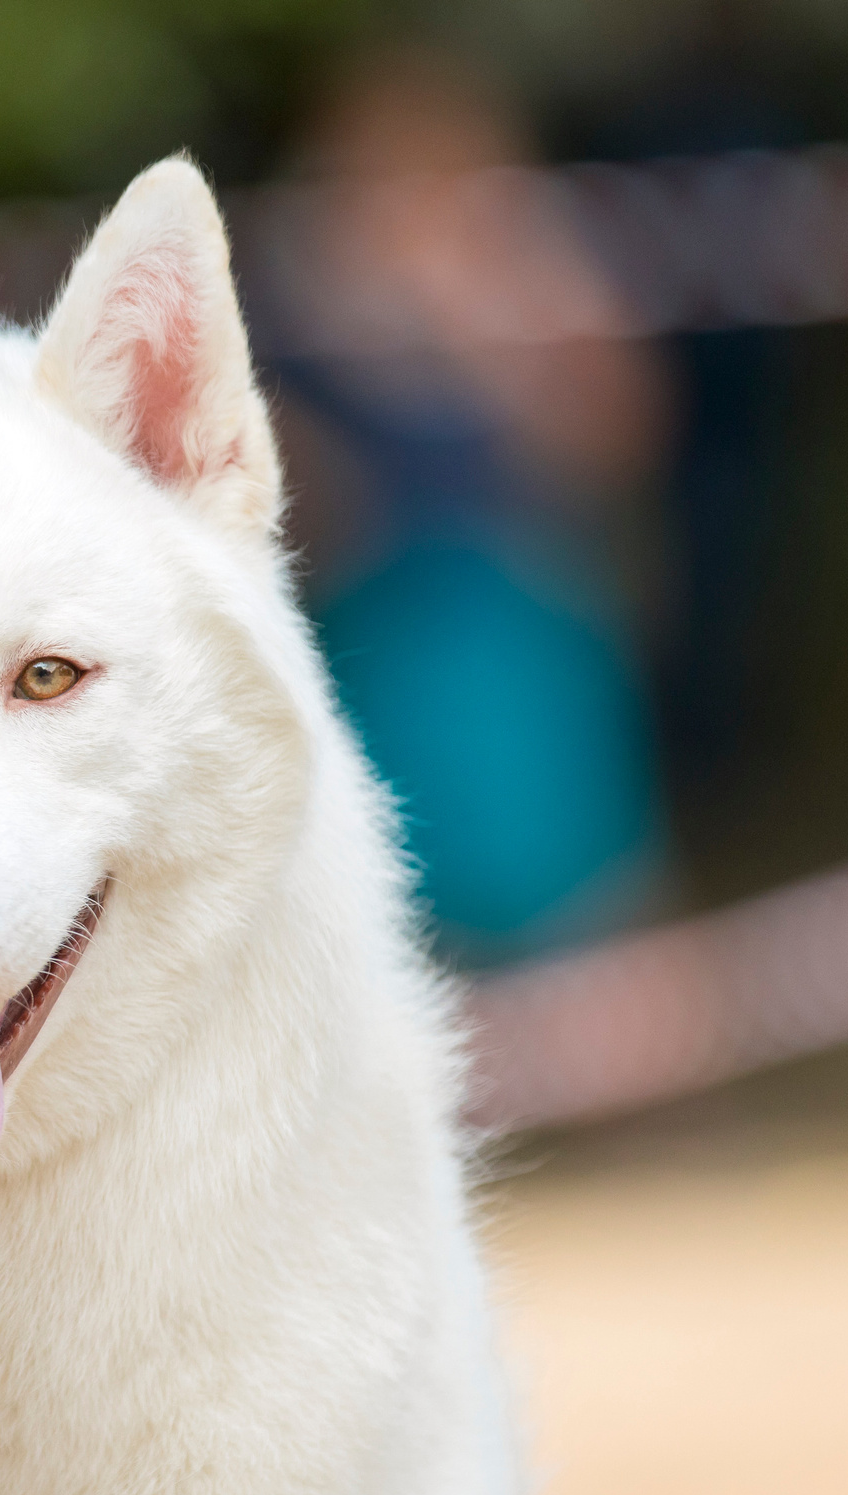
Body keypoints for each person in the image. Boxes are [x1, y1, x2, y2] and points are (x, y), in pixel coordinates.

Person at [248, 49, 675, 965]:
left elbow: (621, 430)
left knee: (561, 868)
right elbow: (275, 483)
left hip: (525, 612)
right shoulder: (292, 282)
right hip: (375, 627)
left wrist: (489, 334)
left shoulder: (540, 262)